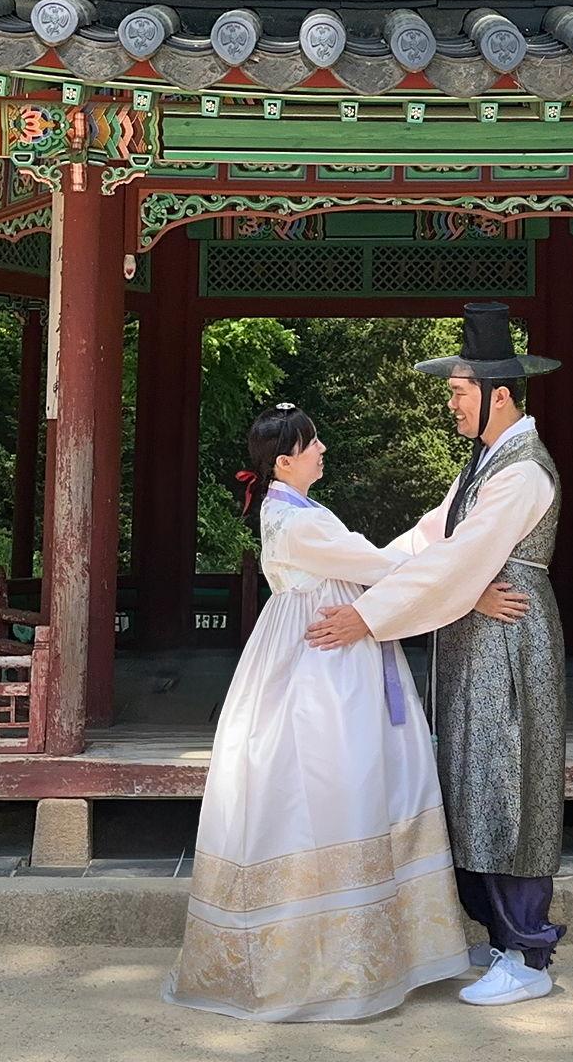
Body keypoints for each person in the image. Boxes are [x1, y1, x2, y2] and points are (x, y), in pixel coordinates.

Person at [164, 399, 525, 1022]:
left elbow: (371, 558)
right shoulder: (298, 520)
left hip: (325, 644)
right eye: (313, 445)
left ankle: (358, 951)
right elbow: (378, 562)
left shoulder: (294, 509)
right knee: (334, 785)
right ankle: (325, 961)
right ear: (285, 461)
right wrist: (469, 590)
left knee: (343, 784)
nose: (323, 450)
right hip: (322, 661)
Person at [307, 303, 566, 1007]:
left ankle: (528, 953)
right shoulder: (486, 461)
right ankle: (502, 942)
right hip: (474, 635)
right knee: (474, 777)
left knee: (508, 783)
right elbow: (431, 539)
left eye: (457, 392)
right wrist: (362, 577)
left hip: (511, 642)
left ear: (499, 395)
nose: (450, 404)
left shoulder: (522, 473)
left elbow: (464, 561)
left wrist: (367, 618)